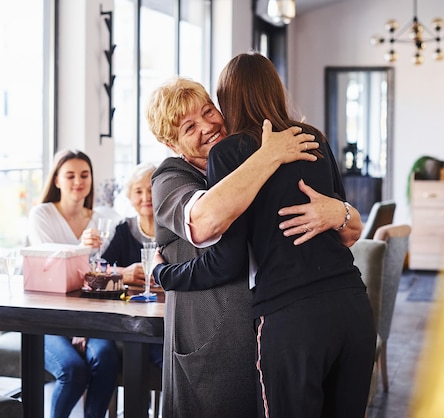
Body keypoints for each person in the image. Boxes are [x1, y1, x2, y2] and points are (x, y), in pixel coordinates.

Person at [154, 52, 375, 418]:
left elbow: (228, 261)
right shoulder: (312, 137)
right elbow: (205, 219)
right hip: (352, 306)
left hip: (291, 320)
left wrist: (163, 273)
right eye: (188, 127)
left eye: (208, 111)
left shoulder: (228, 153)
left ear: (224, 102)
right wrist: (270, 155)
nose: (206, 126)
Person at [27, 149, 119, 418]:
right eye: (70, 175)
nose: (78, 182)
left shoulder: (103, 220)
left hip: (91, 318)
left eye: (84, 175)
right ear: (56, 180)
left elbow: (103, 272)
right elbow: (48, 267)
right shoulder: (41, 215)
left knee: (106, 358)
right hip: (48, 317)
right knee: (73, 370)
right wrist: (80, 248)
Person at [101, 161, 163, 368]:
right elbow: (99, 269)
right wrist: (123, 273)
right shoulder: (123, 230)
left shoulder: (176, 229)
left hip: (165, 320)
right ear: (130, 197)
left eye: (152, 189)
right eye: (138, 191)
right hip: (128, 320)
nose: (146, 197)